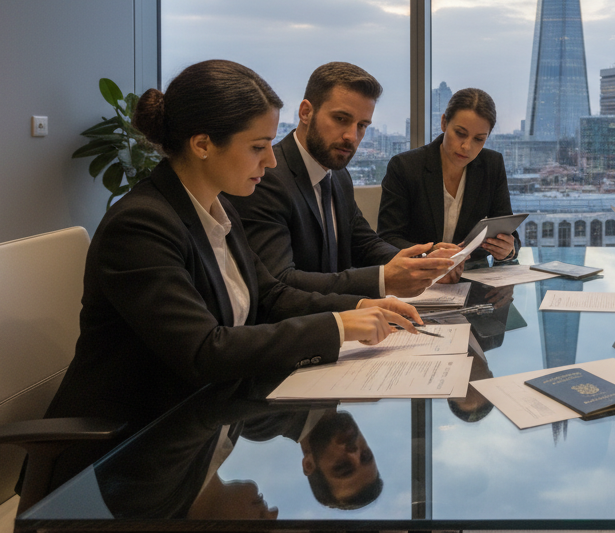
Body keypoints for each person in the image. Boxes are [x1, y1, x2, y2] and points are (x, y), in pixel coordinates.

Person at [42, 60, 423, 489]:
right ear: (203, 144)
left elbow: (271, 295)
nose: (273, 159)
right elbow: (206, 351)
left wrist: (361, 306)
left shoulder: (217, 211)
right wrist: (337, 326)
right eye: (259, 146)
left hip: (200, 436)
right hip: (123, 467)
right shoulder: (141, 226)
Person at [229, 62, 458, 299]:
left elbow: (364, 243)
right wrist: (381, 281)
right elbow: (280, 281)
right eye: (340, 119)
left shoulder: (338, 174)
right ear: (306, 112)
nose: (351, 136)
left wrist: (423, 261)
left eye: (362, 126)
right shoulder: (265, 177)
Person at [378, 88, 518, 265]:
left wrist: (508, 251)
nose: (467, 146)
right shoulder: (406, 166)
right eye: (460, 133)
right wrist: (428, 253)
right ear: (444, 123)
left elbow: (508, 234)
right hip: (417, 276)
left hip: (475, 278)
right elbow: (387, 238)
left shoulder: (492, 165)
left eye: (479, 139)